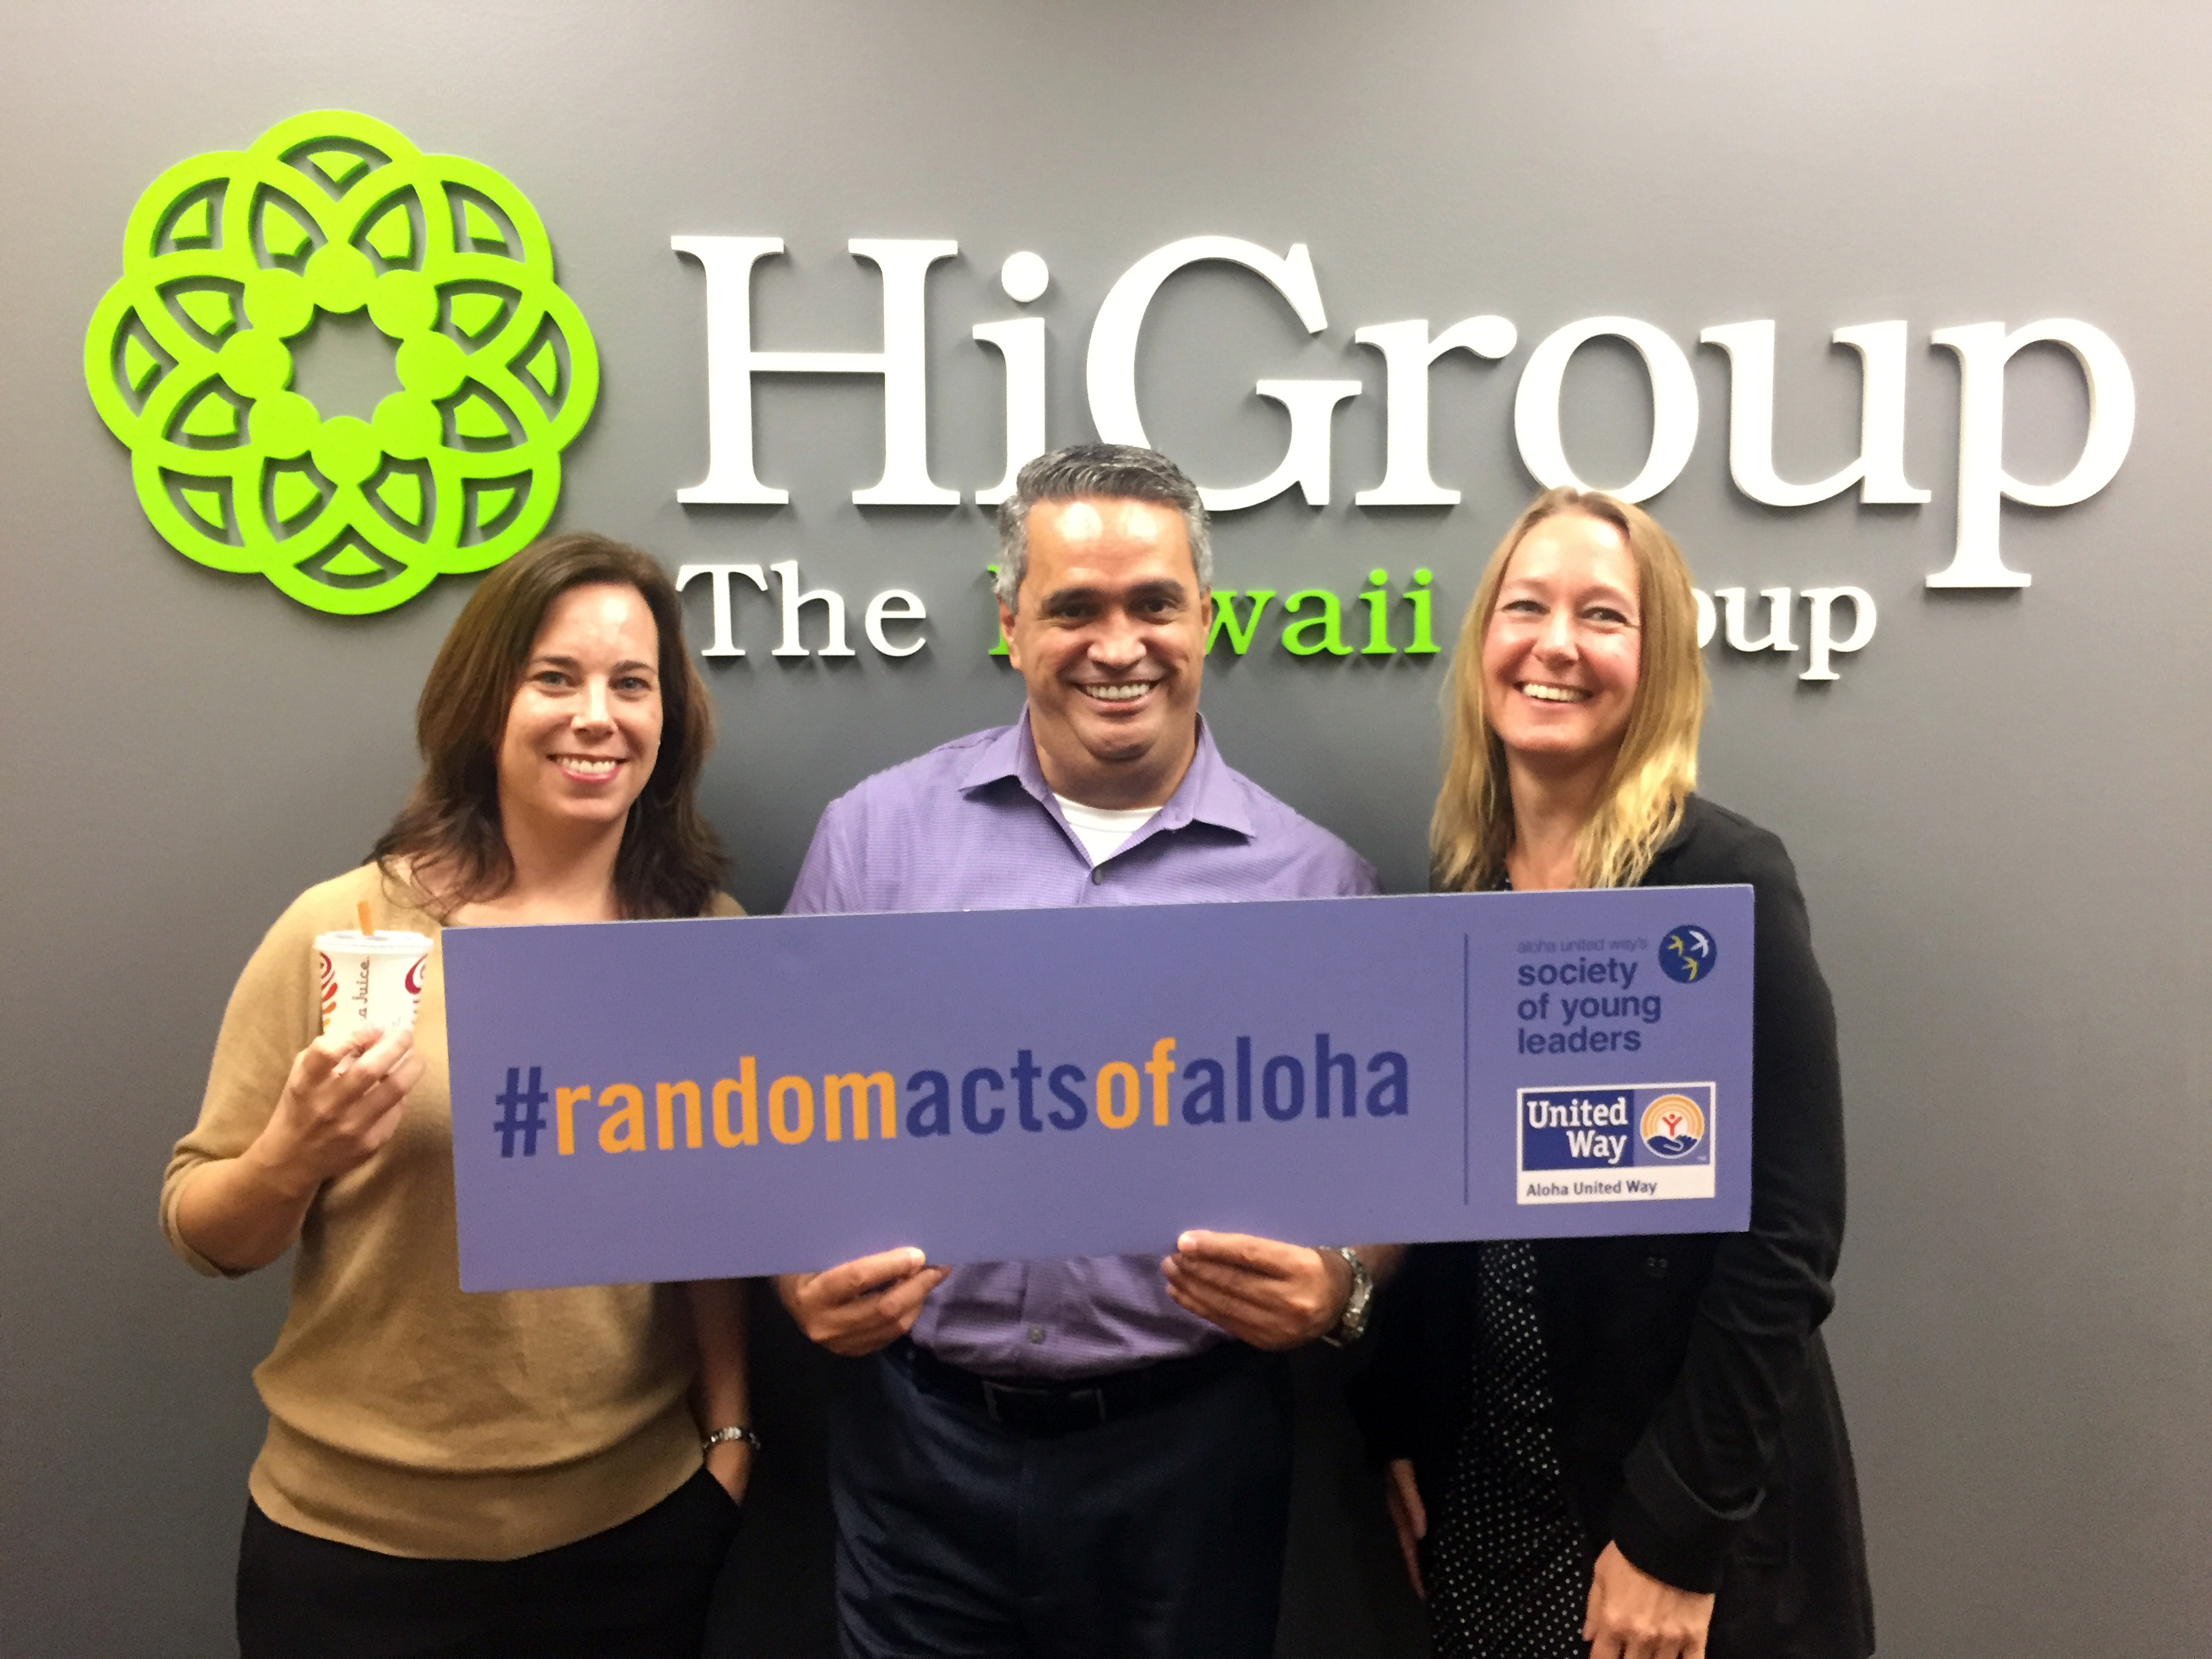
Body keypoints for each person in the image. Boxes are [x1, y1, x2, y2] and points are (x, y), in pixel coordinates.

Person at [777, 444, 1388, 1659]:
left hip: (1192, 1460)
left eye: (1154, 603)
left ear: (1205, 618)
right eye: (1075, 609)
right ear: (1011, 625)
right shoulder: (873, 843)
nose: (1120, 646)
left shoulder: (1316, 883)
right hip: (920, 1454)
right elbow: (771, 1110)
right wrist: (796, 1269)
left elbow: (1381, 1162)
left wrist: (1344, 1285)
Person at [161, 533, 755, 1659]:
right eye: (555, 678)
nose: (598, 716)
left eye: (632, 684)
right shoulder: (347, 931)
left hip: (631, 1541)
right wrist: (293, 1153)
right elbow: (204, 1234)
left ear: (669, 717)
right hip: (356, 1556)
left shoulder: (700, 940)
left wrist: (729, 1438)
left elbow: (709, 1224)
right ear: (486, 705)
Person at [1348, 487, 1874, 1659]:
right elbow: (1438, 1194)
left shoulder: (1723, 880)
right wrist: (1398, 1419)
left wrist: (1675, 1535)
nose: (1556, 645)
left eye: (1603, 616)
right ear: (1485, 640)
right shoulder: (1465, 885)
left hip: (1662, 1508)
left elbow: (1787, 1239)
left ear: (1659, 662)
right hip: (1490, 1486)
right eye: (1526, 607)